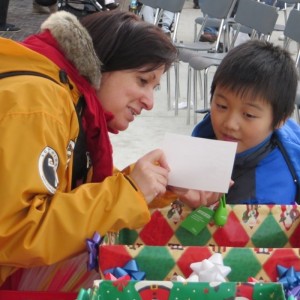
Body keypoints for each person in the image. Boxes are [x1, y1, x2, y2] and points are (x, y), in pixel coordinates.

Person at [0, 10, 219, 290]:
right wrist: (130, 191)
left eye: (155, 87)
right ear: (100, 65)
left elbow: (69, 188)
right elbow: (16, 231)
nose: (150, 102)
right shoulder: (38, 102)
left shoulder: (67, 97)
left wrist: (155, 186)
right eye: (142, 81)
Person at [192, 40, 300, 205]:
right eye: (222, 106)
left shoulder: (263, 199)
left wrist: (199, 209)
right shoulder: (210, 133)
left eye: (249, 115)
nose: (230, 123)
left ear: (281, 120)